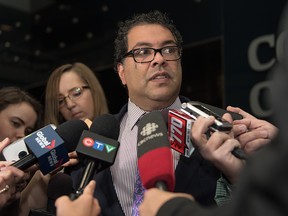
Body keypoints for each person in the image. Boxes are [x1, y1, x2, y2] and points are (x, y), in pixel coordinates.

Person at [44, 62, 109, 126]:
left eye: (76, 93)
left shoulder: (119, 129)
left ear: (93, 90)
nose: (70, 105)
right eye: (60, 101)